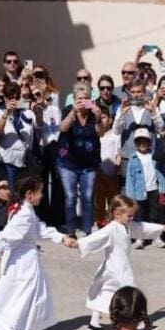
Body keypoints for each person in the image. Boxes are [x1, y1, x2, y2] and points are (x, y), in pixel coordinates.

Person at [0, 175, 78, 330]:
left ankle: (33, 329)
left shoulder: (25, 209)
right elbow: (7, 236)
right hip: (22, 261)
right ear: (29, 195)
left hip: (27, 259)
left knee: (36, 294)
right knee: (21, 295)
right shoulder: (24, 214)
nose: (42, 195)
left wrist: (62, 238)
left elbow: (39, 229)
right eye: (40, 192)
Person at [79, 195, 165, 330]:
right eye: (129, 216)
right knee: (131, 294)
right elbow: (96, 238)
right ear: (117, 214)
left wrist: (162, 228)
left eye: (132, 216)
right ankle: (140, 322)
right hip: (118, 268)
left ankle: (94, 322)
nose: (132, 219)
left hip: (114, 267)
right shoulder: (111, 229)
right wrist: (78, 244)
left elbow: (142, 228)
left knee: (105, 292)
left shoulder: (127, 225)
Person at [58, 80, 106, 237]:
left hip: (89, 163)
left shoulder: (93, 113)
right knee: (70, 197)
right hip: (68, 162)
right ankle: (71, 231)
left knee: (87, 197)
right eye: (79, 98)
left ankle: (87, 230)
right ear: (74, 99)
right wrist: (73, 112)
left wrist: (99, 118)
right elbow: (63, 128)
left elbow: (100, 132)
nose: (82, 102)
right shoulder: (67, 110)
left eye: (85, 98)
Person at [123, 128, 165, 234]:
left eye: (144, 141)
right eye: (139, 141)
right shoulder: (133, 158)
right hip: (139, 192)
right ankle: (140, 237)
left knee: (155, 213)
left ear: (149, 142)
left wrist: (162, 189)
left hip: (154, 189)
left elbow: (161, 173)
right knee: (139, 214)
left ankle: (155, 236)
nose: (142, 143)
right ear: (136, 143)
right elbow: (130, 178)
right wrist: (131, 195)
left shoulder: (155, 155)